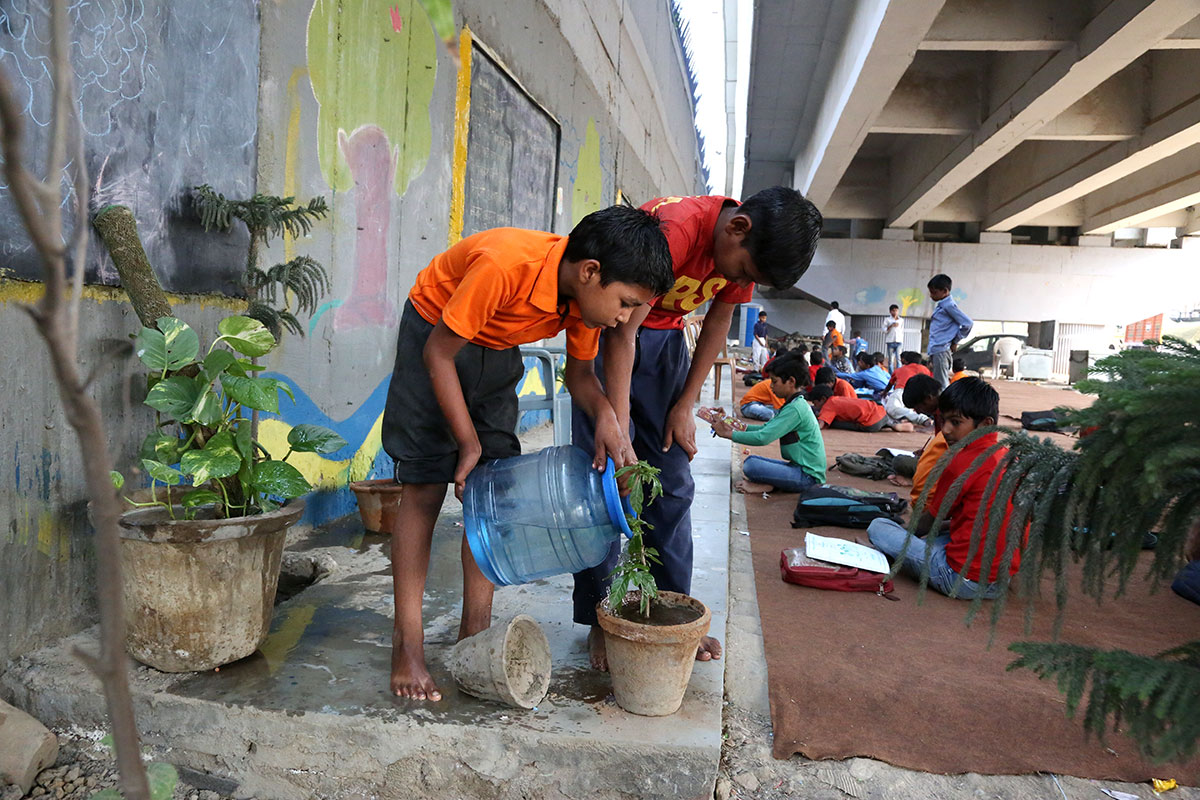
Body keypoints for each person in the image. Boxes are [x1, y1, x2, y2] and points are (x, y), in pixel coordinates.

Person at [381, 205, 675, 701]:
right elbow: (439, 352)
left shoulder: (583, 303)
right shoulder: (504, 266)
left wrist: (606, 414)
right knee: (426, 486)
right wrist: (466, 440)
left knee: (493, 487)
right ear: (590, 273)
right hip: (436, 330)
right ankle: (406, 645)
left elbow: (580, 377)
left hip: (497, 344)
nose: (626, 319)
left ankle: (474, 636)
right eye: (625, 304)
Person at [571, 187, 823, 672]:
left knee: (673, 486)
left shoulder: (742, 250)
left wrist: (687, 402)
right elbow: (622, 331)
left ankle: (669, 613)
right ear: (737, 227)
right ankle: (602, 619)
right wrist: (618, 430)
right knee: (604, 482)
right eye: (744, 272)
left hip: (665, 346)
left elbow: (719, 318)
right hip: (615, 336)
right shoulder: (677, 231)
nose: (736, 280)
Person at [867, 378, 1022, 599]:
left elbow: (926, 524)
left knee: (879, 527)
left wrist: (900, 537)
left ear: (985, 425)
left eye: (956, 422)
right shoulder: (1007, 456)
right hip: (1000, 578)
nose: (947, 430)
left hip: (960, 579)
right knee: (949, 530)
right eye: (945, 420)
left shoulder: (963, 461)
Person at [708, 355, 826, 494]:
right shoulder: (793, 404)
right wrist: (729, 422)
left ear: (791, 381)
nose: (771, 386)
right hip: (798, 468)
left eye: (774, 381)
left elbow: (762, 437)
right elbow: (765, 429)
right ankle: (773, 484)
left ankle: (772, 486)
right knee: (752, 460)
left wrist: (728, 434)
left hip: (808, 478)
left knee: (751, 466)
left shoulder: (796, 408)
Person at [926, 274, 973, 389]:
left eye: (934, 292)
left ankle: (946, 406)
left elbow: (968, 323)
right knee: (938, 382)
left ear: (945, 291)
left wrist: (955, 340)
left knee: (941, 385)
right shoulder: (942, 306)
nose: (931, 296)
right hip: (937, 349)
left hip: (941, 349)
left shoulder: (949, 306)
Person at [808, 384, 913, 432]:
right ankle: (895, 425)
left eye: (815, 403)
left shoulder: (828, 406)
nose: (815, 406)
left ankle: (891, 425)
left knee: (832, 423)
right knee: (885, 422)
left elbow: (820, 426)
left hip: (869, 424)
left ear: (822, 399)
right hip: (879, 412)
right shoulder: (837, 399)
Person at [883, 304, 904, 371]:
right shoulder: (887, 320)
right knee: (891, 360)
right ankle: (891, 375)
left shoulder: (901, 320)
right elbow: (884, 330)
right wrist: (891, 326)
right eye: (893, 311)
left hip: (899, 341)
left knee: (899, 359)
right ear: (890, 311)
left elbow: (902, 330)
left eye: (896, 311)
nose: (895, 312)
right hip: (890, 341)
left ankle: (899, 373)